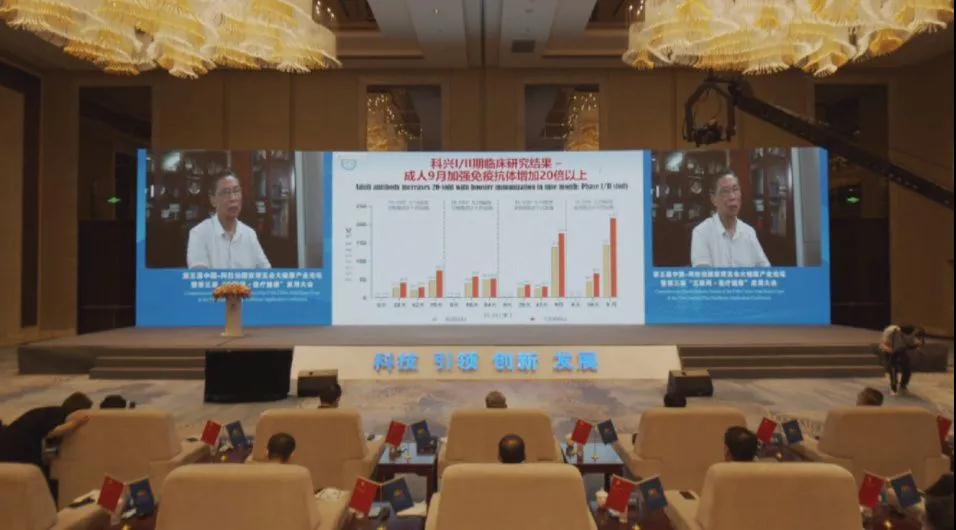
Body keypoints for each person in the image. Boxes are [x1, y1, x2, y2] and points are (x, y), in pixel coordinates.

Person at [0, 393, 93, 491]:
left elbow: (49, 448)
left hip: (11, 446)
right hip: (17, 449)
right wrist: (76, 423)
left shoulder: (48, 413)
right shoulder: (58, 413)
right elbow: (52, 432)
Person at [186, 173, 271, 269]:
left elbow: (266, 272)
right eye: (226, 192)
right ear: (213, 200)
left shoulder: (250, 234)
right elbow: (199, 275)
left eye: (236, 191)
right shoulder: (199, 233)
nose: (233, 198)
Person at [690, 173, 770, 267]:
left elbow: (765, 267)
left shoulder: (749, 232)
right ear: (713, 199)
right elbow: (704, 273)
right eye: (725, 191)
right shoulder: (701, 232)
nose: (732, 197)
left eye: (735, 189)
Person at [879, 324, 923, 394]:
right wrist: (890, 350)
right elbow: (882, 344)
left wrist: (917, 345)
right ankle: (893, 387)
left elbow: (911, 345)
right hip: (889, 349)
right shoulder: (890, 331)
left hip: (900, 349)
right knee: (893, 368)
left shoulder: (910, 335)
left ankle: (903, 385)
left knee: (907, 367)